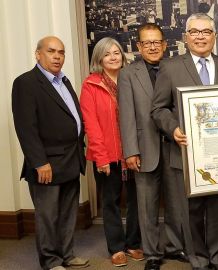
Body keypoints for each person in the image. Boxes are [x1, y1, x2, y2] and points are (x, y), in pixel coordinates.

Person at [150, 13, 218, 270]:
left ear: (214, 36)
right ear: (186, 37)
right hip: (186, 153)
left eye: (206, 32)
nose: (200, 36)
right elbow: (158, 109)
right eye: (195, 32)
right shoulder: (170, 67)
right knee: (191, 213)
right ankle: (199, 261)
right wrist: (173, 128)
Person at [11, 36, 89, 270]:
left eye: (61, 52)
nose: (57, 56)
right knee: (47, 217)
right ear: (38, 54)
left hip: (71, 159)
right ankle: (51, 261)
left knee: (67, 214)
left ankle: (66, 255)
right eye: (51, 51)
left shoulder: (64, 81)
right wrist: (39, 162)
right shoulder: (26, 83)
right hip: (47, 164)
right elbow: (26, 128)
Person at [118, 23, 189, 270]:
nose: (152, 47)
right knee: (147, 205)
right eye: (146, 43)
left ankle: (174, 246)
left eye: (156, 42)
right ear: (138, 46)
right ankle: (152, 253)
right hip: (144, 148)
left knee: (176, 203)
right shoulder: (128, 74)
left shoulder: (177, 68)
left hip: (175, 146)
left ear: (165, 44)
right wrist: (130, 151)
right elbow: (126, 115)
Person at [80, 37, 143, 267]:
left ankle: (134, 243)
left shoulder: (132, 79)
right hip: (107, 155)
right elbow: (91, 124)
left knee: (137, 200)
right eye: (107, 54)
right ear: (99, 58)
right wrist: (101, 156)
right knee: (111, 202)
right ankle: (116, 247)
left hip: (134, 152)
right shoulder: (91, 84)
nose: (114, 57)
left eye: (117, 52)